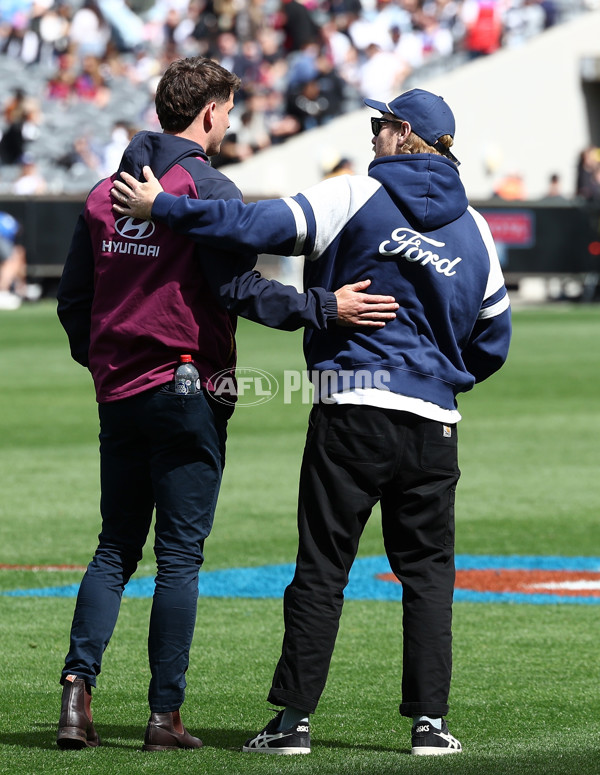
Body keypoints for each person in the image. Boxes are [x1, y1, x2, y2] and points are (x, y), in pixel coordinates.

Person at [112, 87, 512, 756]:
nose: (373, 133)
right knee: (429, 575)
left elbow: (250, 229)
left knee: (324, 568)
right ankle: (430, 726)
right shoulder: (478, 227)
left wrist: (165, 208)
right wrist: (440, 373)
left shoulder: (353, 193)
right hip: (434, 423)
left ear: (402, 132)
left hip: (352, 408)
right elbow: (493, 339)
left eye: (380, 124)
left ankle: (293, 721)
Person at [55, 56, 398, 753]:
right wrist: (324, 306)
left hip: (119, 391)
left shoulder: (100, 193)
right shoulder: (207, 188)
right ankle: (162, 717)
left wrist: (105, 363)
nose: (234, 121)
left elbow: (74, 304)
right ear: (209, 112)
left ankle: (74, 695)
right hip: (186, 385)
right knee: (179, 557)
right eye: (231, 110)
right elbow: (240, 292)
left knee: (114, 546)